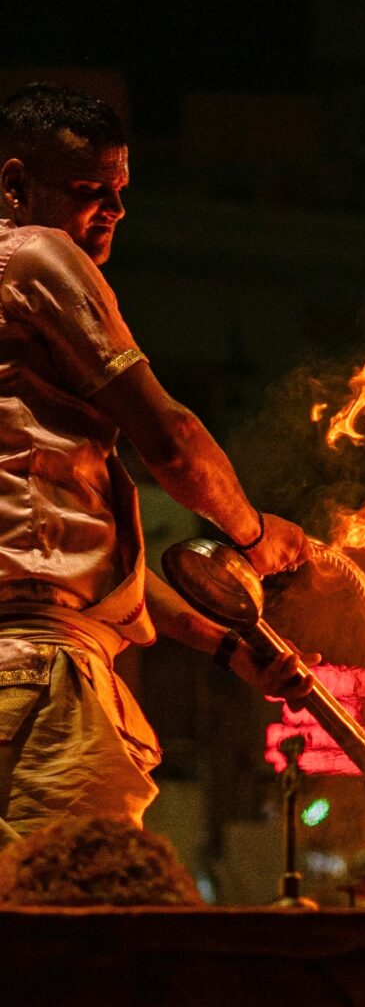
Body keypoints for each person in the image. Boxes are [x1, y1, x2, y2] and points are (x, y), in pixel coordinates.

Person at [0, 82, 315, 846]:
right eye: (86, 190)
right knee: (77, 928)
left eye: (119, 192)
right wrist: (250, 533)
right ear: (13, 185)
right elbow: (169, 439)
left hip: (30, 649)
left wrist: (229, 646)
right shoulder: (34, 253)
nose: (111, 211)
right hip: (36, 676)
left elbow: (55, 567)